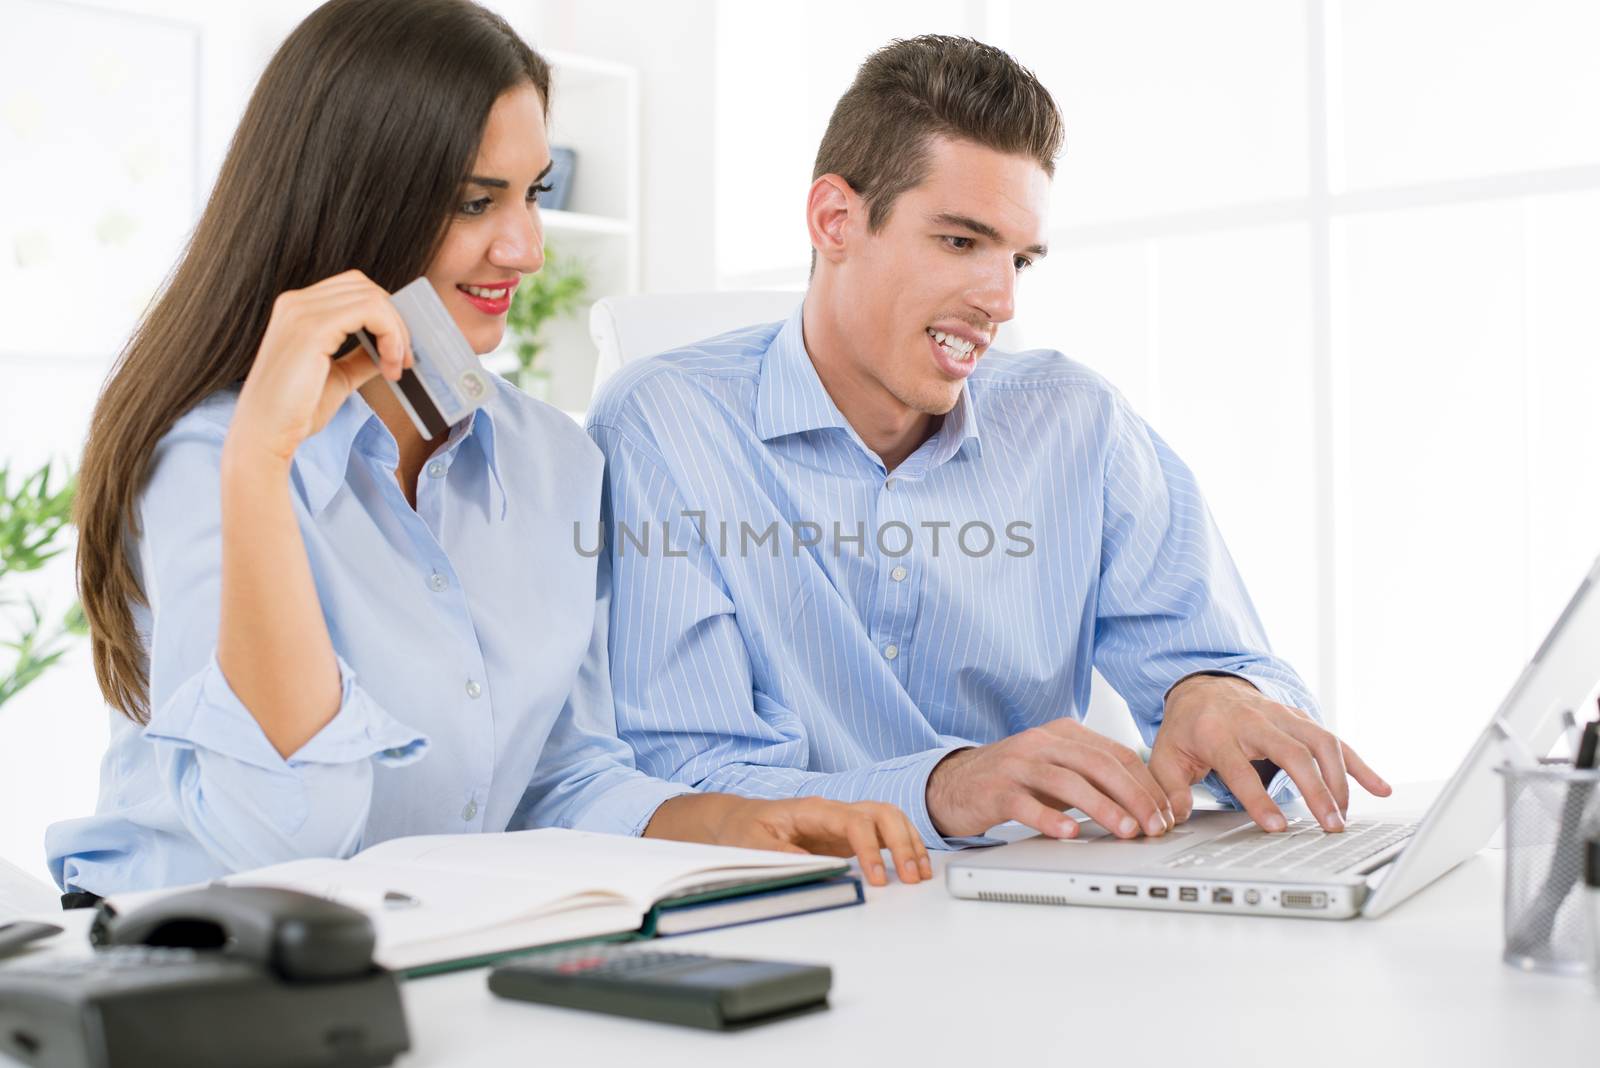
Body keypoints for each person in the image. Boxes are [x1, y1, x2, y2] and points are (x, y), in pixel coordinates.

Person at [47, 0, 930, 896]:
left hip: (418, 954)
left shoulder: (556, 461)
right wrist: (262, 465)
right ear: (351, 200)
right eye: (477, 201)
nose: (527, 248)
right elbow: (280, 843)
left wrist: (735, 823)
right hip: (177, 958)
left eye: (534, 192)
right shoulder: (210, 459)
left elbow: (560, 778)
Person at [587, 35, 1391, 850]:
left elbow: (1224, 672)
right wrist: (943, 789)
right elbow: (682, 783)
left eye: (1020, 259)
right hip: (788, 917)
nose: (999, 301)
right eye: (961, 242)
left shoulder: (1077, 423)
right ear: (835, 220)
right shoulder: (666, 427)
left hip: (1034, 919)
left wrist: (1213, 695)